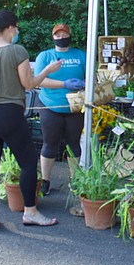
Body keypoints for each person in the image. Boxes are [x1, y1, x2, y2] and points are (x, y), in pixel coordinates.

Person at [0, 10, 62, 231]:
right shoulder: (18, 51)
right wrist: (48, 70)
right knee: (27, 162)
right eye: (16, 27)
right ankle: (30, 211)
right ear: (9, 28)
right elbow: (29, 84)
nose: (17, 31)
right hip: (9, 113)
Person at [34, 23, 85, 196]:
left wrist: (85, 85)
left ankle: (75, 181)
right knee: (50, 143)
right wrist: (64, 84)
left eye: (64, 35)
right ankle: (46, 180)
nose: (61, 38)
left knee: (74, 143)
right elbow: (39, 80)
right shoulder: (45, 56)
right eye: (58, 35)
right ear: (53, 37)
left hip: (75, 107)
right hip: (50, 105)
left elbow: (91, 76)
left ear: (70, 35)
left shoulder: (80, 55)